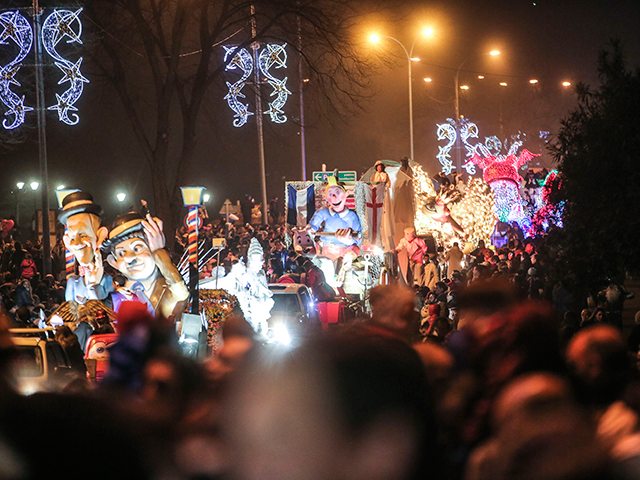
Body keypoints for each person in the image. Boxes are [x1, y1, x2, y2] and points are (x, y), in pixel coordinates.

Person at [103, 212, 189, 319]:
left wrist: (159, 252)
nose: (129, 258)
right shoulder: (116, 297)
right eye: (121, 253)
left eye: (138, 248)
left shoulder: (168, 289)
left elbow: (181, 294)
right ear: (113, 262)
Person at [58, 191, 114, 305]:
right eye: (73, 238)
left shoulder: (107, 280)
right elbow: (70, 311)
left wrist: (94, 285)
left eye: (83, 235)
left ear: (99, 236)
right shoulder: (73, 282)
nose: (77, 243)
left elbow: (107, 310)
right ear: (68, 243)